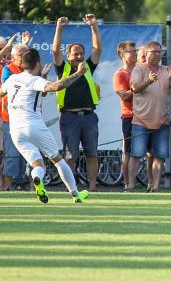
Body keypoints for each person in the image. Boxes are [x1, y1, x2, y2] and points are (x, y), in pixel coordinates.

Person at [1, 49, 89, 203]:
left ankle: (36, 179)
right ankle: (76, 195)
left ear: (22, 64)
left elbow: (2, 93)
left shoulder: (12, 79)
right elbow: (56, 86)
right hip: (34, 126)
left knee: (38, 164)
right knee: (58, 160)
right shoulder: (34, 79)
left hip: (16, 130)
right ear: (38, 63)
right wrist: (78, 74)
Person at [52, 15, 102, 192]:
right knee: (70, 156)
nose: (79, 57)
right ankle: (72, 187)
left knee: (91, 154)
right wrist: (59, 28)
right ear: (69, 56)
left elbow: (97, 49)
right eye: (76, 54)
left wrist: (93, 26)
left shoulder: (88, 66)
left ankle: (93, 187)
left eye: (81, 53)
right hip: (69, 117)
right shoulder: (63, 68)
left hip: (89, 117)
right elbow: (55, 50)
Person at [130, 41, 171, 192]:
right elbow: (134, 88)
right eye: (154, 52)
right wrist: (148, 81)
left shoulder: (167, 70)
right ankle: (130, 186)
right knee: (136, 155)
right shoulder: (139, 69)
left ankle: (155, 187)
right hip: (141, 120)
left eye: (160, 51)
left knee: (159, 156)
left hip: (162, 121)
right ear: (146, 54)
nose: (158, 54)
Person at [1, 33, 33, 190]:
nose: (25, 57)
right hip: (10, 120)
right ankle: (6, 188)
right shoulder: (8, 70)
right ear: (13, 58)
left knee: (33, 154)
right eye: (22, 55)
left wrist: (26, 44)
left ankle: (36, 188)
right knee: (12, 155)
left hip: (30, 119)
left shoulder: (32, 69)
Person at [112, 40, 138, 191]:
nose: (135, 53)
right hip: (130, 116)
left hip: (147, 115)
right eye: (131, 51)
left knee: (148, 153)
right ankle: (128, 184)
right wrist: (140, 88)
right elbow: (125, 96)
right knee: (128, 152)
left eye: (136, 50)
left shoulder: (142, 70)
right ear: (122, 55)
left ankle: (150, 185)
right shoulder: (119, 74)